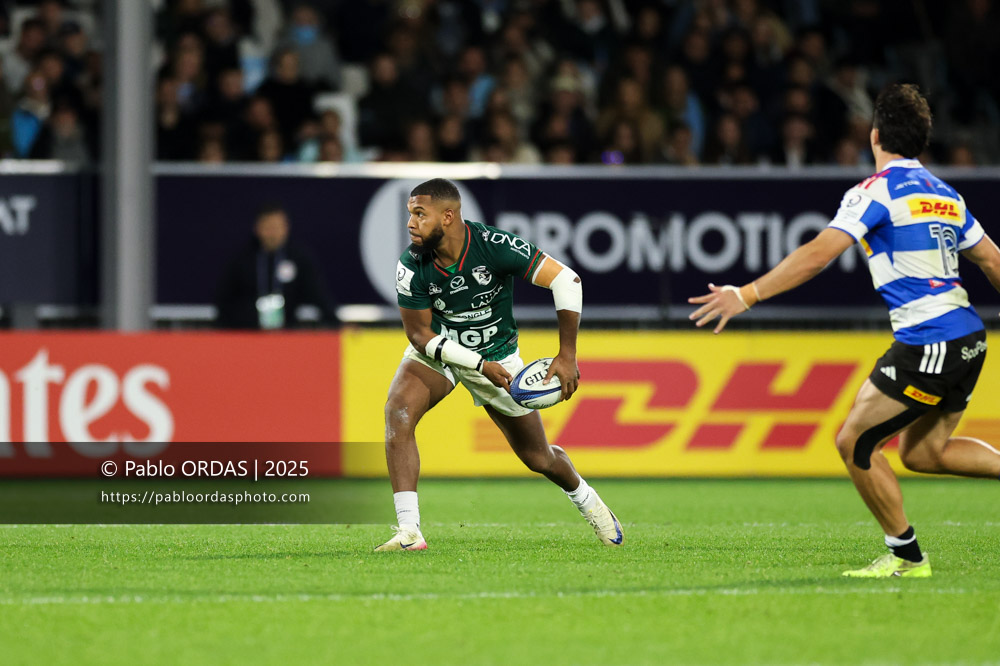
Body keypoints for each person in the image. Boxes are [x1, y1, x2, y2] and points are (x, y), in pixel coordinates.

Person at [688, 83, 1000, 578]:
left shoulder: (876, 192)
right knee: (924, 453)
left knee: (854, 442)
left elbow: (818, 254)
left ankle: (906, 557)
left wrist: (745, 294)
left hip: (929, 339)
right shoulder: (945, 194)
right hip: (968, 338)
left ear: (875, 136)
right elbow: (991, 261)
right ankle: (906, 553)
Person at [377, 178, 624, 551]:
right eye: (409, 214)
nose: (410, 223)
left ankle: (589, 502)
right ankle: (409, 531)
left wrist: (567, 354)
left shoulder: (494, 246)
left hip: (499, 356)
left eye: (419, 214)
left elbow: (568, 281)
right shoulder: (411, 265)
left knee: (538, 457)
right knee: (398, 412)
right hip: (442, 349)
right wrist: (475, 363)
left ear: (448, 216)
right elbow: (420, 337)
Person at [215, 204, 339, 330]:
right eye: (268, 227)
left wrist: (335, 323)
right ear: (257, 229)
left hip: (287, 333)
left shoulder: (299, 259)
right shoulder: (241, 260)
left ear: (286, 228)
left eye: (277, 227)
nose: (273, 234)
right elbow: (224, 301)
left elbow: (318, 294)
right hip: (249, 333)